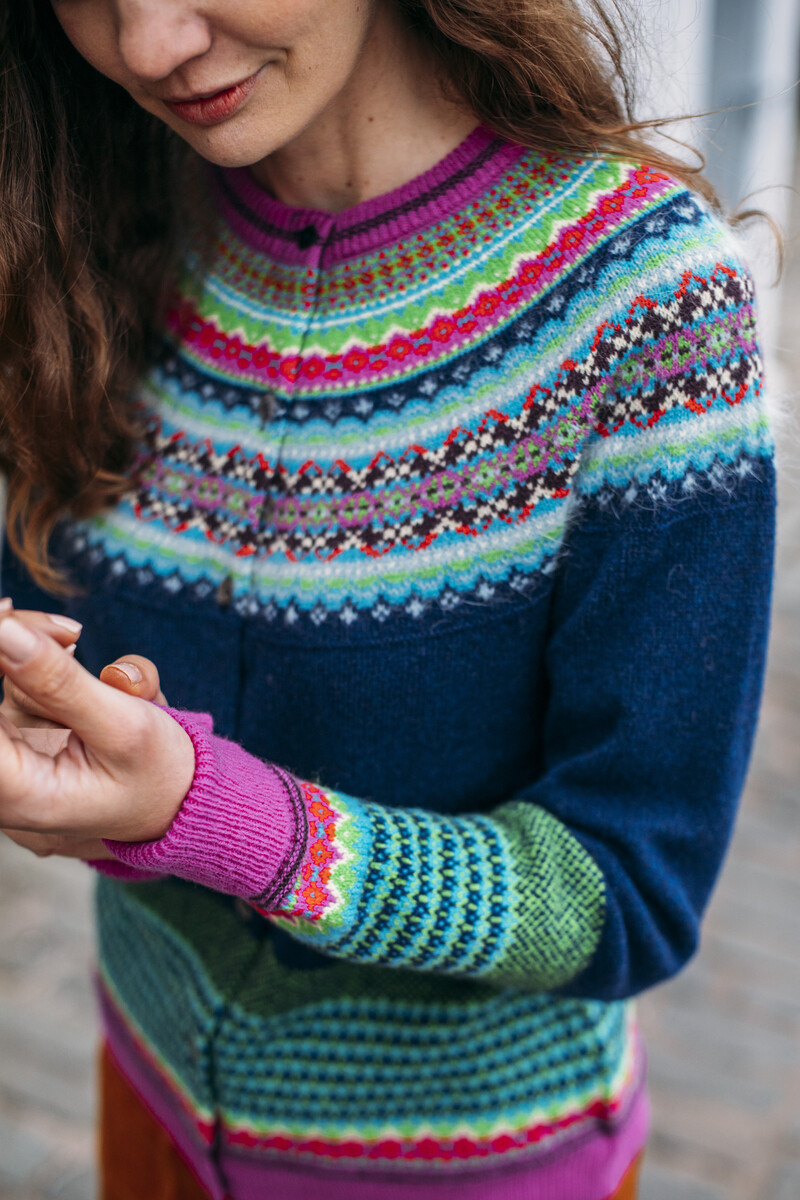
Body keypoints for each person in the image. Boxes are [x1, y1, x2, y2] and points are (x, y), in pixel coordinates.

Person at [0, 1, 775, 1198]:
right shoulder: (82, 210)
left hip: (465, 1172)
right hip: (144, 1091)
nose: (149, 45)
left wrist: (219, 818)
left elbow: (628, 896)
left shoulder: (642, 307)